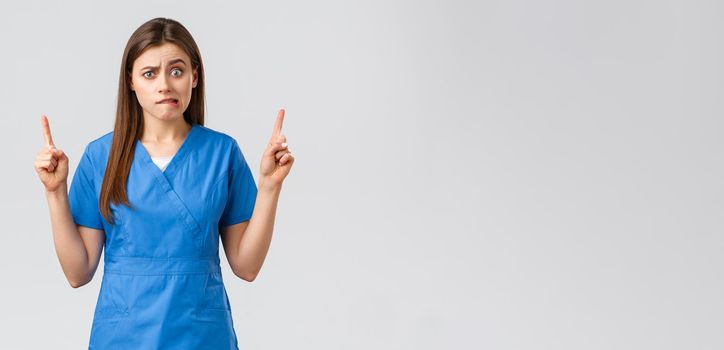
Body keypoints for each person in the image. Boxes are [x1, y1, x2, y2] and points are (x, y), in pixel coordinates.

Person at [33, 17, 294, 349]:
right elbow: (77, 272)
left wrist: (270, 186)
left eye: (176, 71)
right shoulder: (101, 156)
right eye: (149, 73)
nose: (164, 85)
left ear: (194, 76)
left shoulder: (221, 153)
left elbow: (247, 266)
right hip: (124, 336)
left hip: (201, 335)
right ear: (130, 81)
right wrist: (55, 192)